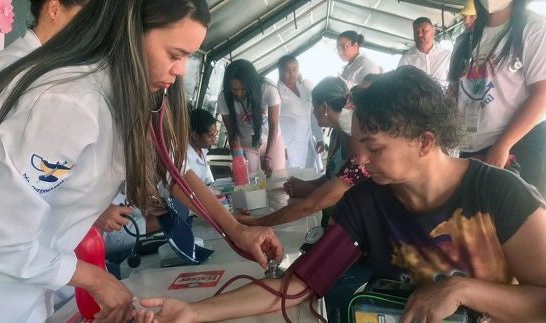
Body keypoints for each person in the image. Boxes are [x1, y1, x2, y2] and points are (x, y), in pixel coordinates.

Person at [0, 1, 284, 322]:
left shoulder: (121, 94)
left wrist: (235, 230)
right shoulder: (70, 100)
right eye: (175, 54)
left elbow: (169, 168)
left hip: (16, 277)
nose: (183, 69)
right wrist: (98, 280)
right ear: (131, 32)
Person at [133, 66, 546, 323]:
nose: (360, 161)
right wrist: (194, 312)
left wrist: (462, 290)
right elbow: (299, 285)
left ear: (425, 141)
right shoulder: (367, 201)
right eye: (358, 143)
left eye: (374, 148)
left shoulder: (498, 195)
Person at [236, 77, 369, 227]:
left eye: (314, 106)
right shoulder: (337, 134)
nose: (312, 111)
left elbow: (314, 204)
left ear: (324, 107)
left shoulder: (354, 140)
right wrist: (306, 184)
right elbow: (336, 174)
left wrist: (255, 222)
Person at [450, 0, 546, 196]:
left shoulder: (534, 29)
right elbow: (454, 91)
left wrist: (503, 145)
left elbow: (542, 93)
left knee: (515, 221)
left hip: (515, 147)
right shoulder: (467, 37)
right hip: (470, 147)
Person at [217, 59, 286, 177]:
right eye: (234, 90)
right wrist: (237, 161)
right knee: (251, 181)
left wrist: (268, 157)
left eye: (243, 89)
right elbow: (232, 133)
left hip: (272, 141)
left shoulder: (268, 89)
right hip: (247, 145)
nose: (238, 94)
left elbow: (273, 126)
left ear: (252, 84)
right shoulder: (224, 97)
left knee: (276, 180)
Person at [276, 55, 324, 173]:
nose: (291, 73)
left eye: (295, 69)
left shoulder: (305, 90)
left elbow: (312, 116)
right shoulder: (276, 92)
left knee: (308, 176)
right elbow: (273, 122)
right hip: (287, 144)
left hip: (307, 142)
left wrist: (319, 138)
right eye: (287, 70)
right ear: (279, 71)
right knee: (289, 177)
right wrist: (281, 147)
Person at [398, 17, 452, 86]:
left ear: (433, 32)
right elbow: (400, 85)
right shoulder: (406, 60)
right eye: (416, 32)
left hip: (443, 96)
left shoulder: (446, 55)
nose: (419, 34)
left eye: (424, 30)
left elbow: (455, 82)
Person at [187, 108, 217, 185]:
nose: (214, 139)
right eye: (210, 136)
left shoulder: (202, 151)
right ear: (195, 135)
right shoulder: (185, 158)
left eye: (214, 134)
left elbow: (208, 181)